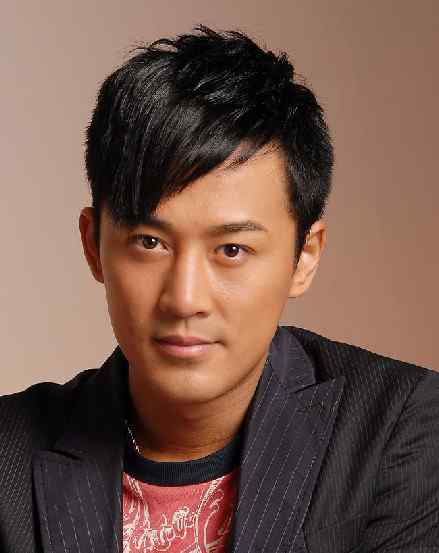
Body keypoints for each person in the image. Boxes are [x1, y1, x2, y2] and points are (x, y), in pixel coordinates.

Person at [0, 24, 438, 553]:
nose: (185, 299)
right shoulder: (8, 456)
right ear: (94, 245)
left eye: (231, 250)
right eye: (149, 242)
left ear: (304, 257)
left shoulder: (399, 430)